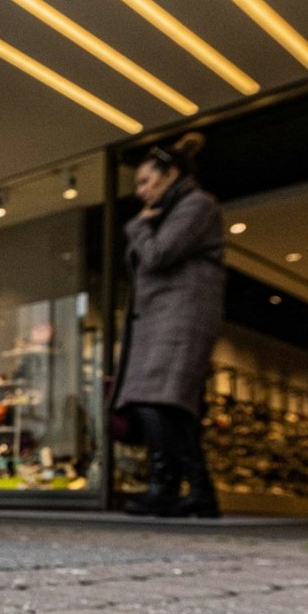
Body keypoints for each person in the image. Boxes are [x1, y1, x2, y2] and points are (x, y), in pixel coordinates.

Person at [111, 132, 225, 519]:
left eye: (145, 181)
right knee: (170, 406)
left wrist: (139, 226)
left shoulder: (197, 206)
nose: (141, 191)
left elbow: (159, 256)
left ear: (170, 174)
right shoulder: (171, 212)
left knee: (157, 400)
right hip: (163, 319)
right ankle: (197, 491)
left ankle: (165, 486)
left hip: (181, 318)